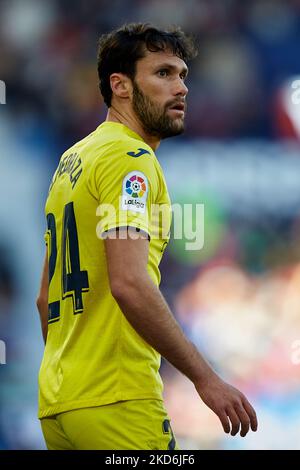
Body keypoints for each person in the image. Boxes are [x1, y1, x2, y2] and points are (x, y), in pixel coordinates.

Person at [36, 22, 258, 450]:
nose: (181, 88)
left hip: (60, 404)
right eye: (163, 73)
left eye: (182, 75)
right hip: (119, 400)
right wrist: (205, 379)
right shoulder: (129, 158)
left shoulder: (73, 159)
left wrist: (76, 380)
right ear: (120, 85)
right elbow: (130, 282)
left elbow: (46, 298)